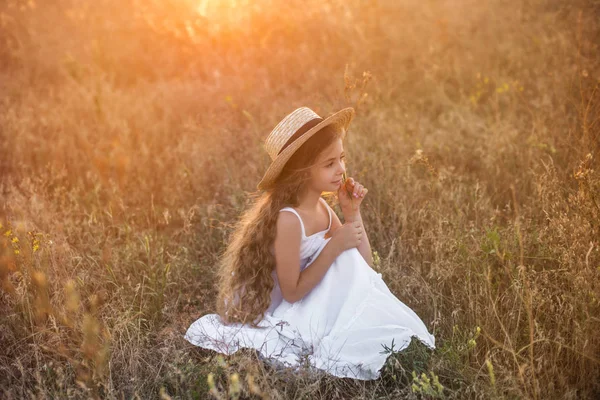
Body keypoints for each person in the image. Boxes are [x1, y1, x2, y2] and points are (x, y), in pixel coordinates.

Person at [184, 106, 435, 380]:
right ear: (302, 172)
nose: (341, 169)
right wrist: (333, 247)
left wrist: (352, 213)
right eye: (329, 164)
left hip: (315, 298)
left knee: (349, 266)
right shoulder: (290, 219)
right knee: (339, 261)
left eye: (342, 158)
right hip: (290, 309)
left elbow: (363, 267)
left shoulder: (323, 210)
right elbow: (291, 292)